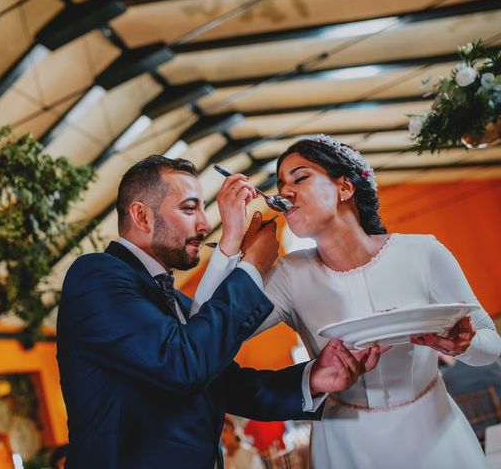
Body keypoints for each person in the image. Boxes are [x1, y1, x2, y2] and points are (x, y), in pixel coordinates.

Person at [194, 135, 501, 469]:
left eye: (300, 177)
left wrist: (464, 346)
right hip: (343, 448)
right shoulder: (289, 276)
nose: (284, 192)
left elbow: (491, 345)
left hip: (435, 436)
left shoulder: (423, 253)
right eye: (281, 186)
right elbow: (205, 336)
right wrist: (231, 245)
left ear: (345, 188)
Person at [56, 155, 383, 468]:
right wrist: (252, 266)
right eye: (189, 209)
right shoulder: (96, 276)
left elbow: (224, 384)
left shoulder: (179, 303)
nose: (204, 223)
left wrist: (312, 378)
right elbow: (183, 364)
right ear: (142, 216)